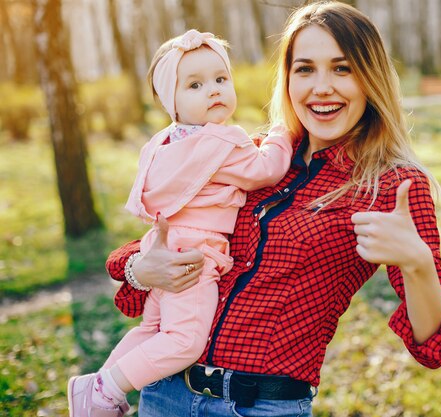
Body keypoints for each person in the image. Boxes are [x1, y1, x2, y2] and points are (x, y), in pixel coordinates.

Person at [104, 2, 441, 416]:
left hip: (260, 405)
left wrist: (417, 264)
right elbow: (174, 233)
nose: (321, 87)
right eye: (305, 69)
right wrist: (139, 269)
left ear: (370, 78)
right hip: (165, 394)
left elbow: (433, 341)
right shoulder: (253, 155)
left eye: (342, 68)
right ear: (287, 79)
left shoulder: (389, 184)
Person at [67, 29, 293, 417]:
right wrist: (280, 133)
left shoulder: (163, 144)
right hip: (194, 257)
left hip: (163, 245)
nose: (213, 90)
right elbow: (267, 169)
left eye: (221, 79)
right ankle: (105, 388)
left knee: (151, 331)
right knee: (185, 341)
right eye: (195, 85)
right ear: (172, 102)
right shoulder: (222, 142)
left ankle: (99, 392)